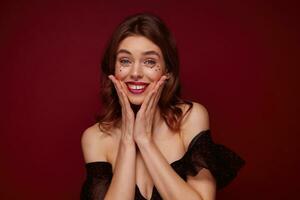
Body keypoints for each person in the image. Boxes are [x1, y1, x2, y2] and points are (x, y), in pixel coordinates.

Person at [80, 13, 245, 200]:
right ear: (113, 68)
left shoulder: (191, 118)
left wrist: (144, 141)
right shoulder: (96, 138)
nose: (135, 73)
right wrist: (127, 141)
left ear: (167, 69)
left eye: (149, 62)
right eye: (125, 61)